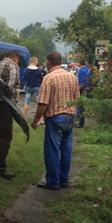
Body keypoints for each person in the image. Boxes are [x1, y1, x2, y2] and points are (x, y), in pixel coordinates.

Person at [31, 51, 80, 190]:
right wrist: (72, 112)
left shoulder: (49, 78)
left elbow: (43, 103)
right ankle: (64, 179)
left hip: (55, 118)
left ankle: (53, 181)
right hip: (69, 117)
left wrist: (36, 120)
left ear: (48, 62)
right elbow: (77, 98)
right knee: (66, 149)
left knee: (52, 150)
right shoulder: (72, 77)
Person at [0, 50, 20, 179]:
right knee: (6, 136)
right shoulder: (13, 65)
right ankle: (1, 168)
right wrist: (4, 97)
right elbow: (11, 83)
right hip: (6, 104)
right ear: (15, 58)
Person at [75, 59, 91, 127]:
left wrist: (78, 88)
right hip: (85, 88)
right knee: (82, 105)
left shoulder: (81, 70)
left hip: (82, 89)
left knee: (81, 105)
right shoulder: (86, 69)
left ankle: (81, 123)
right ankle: (81, 122)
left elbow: (82, 81)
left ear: (79, 63)